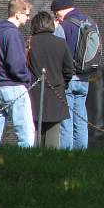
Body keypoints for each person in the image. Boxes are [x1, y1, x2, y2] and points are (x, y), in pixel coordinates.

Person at [0, 0, 35, 148]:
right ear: (18, 14)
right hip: (13, 87)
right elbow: (16, 64)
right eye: (26, 14)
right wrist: (27, 79)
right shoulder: (12, 33)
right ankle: (27, 164)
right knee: (25, 132)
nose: (28, 17)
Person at [52, 0, 100, 151]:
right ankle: (81, 153)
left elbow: (57, 54)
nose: (56, 16)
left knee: (67, 119)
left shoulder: (63, 26)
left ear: (59, 10)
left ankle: (66, 154)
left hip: (67, 79)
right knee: (81, 118)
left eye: (55, 13)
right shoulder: (90, 22)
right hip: (85, 77)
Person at [27, 11, 75, 148]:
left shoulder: (30, 42)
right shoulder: (60, 43)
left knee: (34, 132)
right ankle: (50, 164)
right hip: (56, 92)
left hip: (33, 93)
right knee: (53, 137)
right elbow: (68, 69)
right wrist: (63, 83)